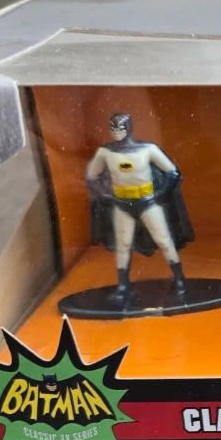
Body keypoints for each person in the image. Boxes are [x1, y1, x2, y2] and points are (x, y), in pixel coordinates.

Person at [85, 113, 194, 303]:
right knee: (123, 245)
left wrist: (160, 193)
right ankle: (123, 285)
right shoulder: (105, 152)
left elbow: (172, 172)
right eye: (113, 129)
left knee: (164, 241)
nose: (117, 133)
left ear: (128, 128)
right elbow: (92, 177)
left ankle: (179, 279)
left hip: (147, 202)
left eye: (120, 129)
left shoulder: (147, 149)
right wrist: (104, 196)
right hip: (122, 204)